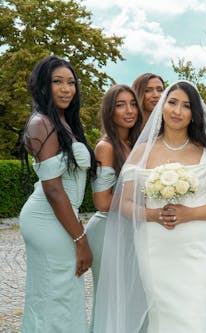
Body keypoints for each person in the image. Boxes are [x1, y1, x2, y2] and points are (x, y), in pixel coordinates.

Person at [93, 80, 206, 333]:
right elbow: (124, 203)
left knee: (196, 317)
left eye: (186, 106)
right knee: (163, 315)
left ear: (194, 113)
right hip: (155, 246)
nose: (177, 111)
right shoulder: (142, 152)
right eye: (172, 103)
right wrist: (151, 214)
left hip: (199, 249)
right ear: (162, 106)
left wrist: (189, 213)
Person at [19, 55, 97, 332]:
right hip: (47, 217)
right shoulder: (42, 123)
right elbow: (53, 189)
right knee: (59, 292)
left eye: (71, 83)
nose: (66, 89)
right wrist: (81, 238)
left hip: (58, 216)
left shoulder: (64, 122)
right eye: (57, 82)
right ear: (43, 85)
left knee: (57, 293)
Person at [85, 84, 142, 332]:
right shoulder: (106, 147)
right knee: (110, 299)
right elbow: (102, 201)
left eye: (132, 104)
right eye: (120, 105)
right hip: (108, 229)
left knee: (132, 298)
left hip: (130, 228)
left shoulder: (132, 145)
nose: (129, 110)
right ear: (110, 111)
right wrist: (142, 208)